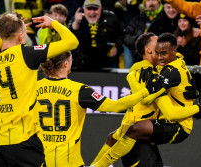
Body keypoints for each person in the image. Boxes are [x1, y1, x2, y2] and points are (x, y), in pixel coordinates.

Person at [91, 32, 201, 167]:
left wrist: (193, 85)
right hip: (137, 131)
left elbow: (177, 59)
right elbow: (147, 99)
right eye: (157, 45)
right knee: (115, 139)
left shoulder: (158, 69)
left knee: (112, 138)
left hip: (144, 130)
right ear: (149, 50)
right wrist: (197, 108)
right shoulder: (142, 73)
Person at [0, 13, 78, 166]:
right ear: (20, 37)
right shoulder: (27, 54)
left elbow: (1, 39)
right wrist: (53, 24)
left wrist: (10, 31)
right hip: (21, 139)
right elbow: (72, 42)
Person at [36, 51, 164, 167]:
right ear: (65, 64)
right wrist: (146, 92)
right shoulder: (79, 90)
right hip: (68, 161)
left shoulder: (34, 87)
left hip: (39, 158)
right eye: (70, 60)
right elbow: (115, 106)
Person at [69, 0, 124, 71]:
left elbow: (122, 33)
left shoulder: (111, 17)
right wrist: (76, 23)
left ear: (101, 8)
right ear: (84, 9)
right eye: (89, 9)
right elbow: (68, 39)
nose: (92, 12)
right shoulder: (77, 18)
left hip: (107, 62)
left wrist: (117, 46)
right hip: (82, 63)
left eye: (95, 9)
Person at [124, 0, 164, 67]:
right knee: (127, 47)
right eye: (148, 0)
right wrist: (141, 39)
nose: (151, 3)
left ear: (159, 2)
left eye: (154, 0)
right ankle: (129, 72)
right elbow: (127, 38)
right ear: (144, 3)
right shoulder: (137, 19)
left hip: (159, 53)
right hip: (139, 54)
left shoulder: (164, 18)